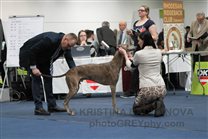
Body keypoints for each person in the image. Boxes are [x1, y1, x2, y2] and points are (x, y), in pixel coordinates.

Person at [19, 32, 78, 115]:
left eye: (71, 47)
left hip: (43, 58)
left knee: (48, 78)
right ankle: (38, 108)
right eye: (68, 45)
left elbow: (70, 60)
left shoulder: (66, 46)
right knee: (36, 79)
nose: (69, 48)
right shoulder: (50, 40)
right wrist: (34, 67)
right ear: (65, 39)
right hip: (29, 54)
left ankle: (52, 106)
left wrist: (76, 74)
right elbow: (32, 51)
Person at [119, 31, 166, 117]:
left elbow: (131, 67)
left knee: (136, 109)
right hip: (161, 88)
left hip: (147, 89)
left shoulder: (139, 53)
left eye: (139, 40)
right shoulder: (159, 52)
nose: (138, 42)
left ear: (144, 40)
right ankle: (158, 101)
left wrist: (125, 54)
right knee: (153, 96)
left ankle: (155, 105)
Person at [126, 5, 158, 98]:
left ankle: (135, 90)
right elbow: (136, 38)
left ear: (146, 12)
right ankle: (135, 89)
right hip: (138, 47)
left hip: (147, 48)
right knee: (136, 68)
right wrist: (132, 34)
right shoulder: (136, 23)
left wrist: (139, 34)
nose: (139, 12)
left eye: (141, 10)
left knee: (143, 69)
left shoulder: (150, 23)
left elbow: (154, 37)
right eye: (138, 10)